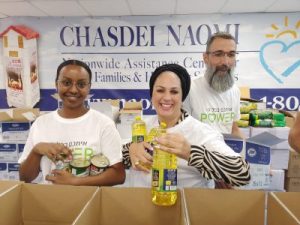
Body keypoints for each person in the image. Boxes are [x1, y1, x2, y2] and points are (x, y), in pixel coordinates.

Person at [122, 64, 250, 188]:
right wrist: (130, 149)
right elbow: (111, 161)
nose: (167, 97)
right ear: (152, 95)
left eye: (174, 92)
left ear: (182, 97)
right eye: (160, 90)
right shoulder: (142, 126)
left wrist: (190, 152)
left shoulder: (201, 132)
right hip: (139, 206)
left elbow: (242, 173)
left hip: (184, 207)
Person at [18, 59, 125, 186]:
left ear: (89, 87)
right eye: (66, 82)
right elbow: (25, 177)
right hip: (48, 201)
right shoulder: (41, 124)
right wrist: (37, 150)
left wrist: (76, 181)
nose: (73, 90)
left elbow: (118, 175)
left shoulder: (103, 124)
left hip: (90, 202)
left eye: (81, 84)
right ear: (56, 84)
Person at [184, 31, 243, 138]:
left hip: (225, 153)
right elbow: (181, 130)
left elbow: (234, 129)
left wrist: (249, 149)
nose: (225, 62)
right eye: (218, 54)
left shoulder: (234, 91)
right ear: (205, 58)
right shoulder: (189, 89)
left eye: (231, 55)